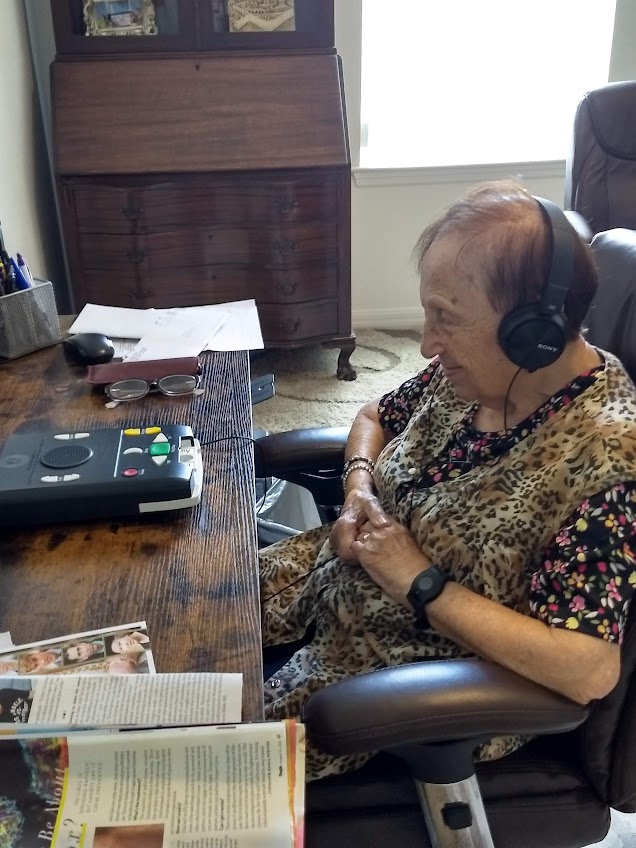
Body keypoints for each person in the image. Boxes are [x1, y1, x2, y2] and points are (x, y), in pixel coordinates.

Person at [259, 181, 636, 781]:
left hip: (391, 688)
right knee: (164, 620)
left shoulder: (607, 459)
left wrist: (420, 581)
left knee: (158, 773)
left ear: (531, 331)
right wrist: (358, 488)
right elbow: (374, 414)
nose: (428, 344)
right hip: (313, 584)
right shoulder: (471, 372)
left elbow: (588, 668)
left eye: (447, 319)